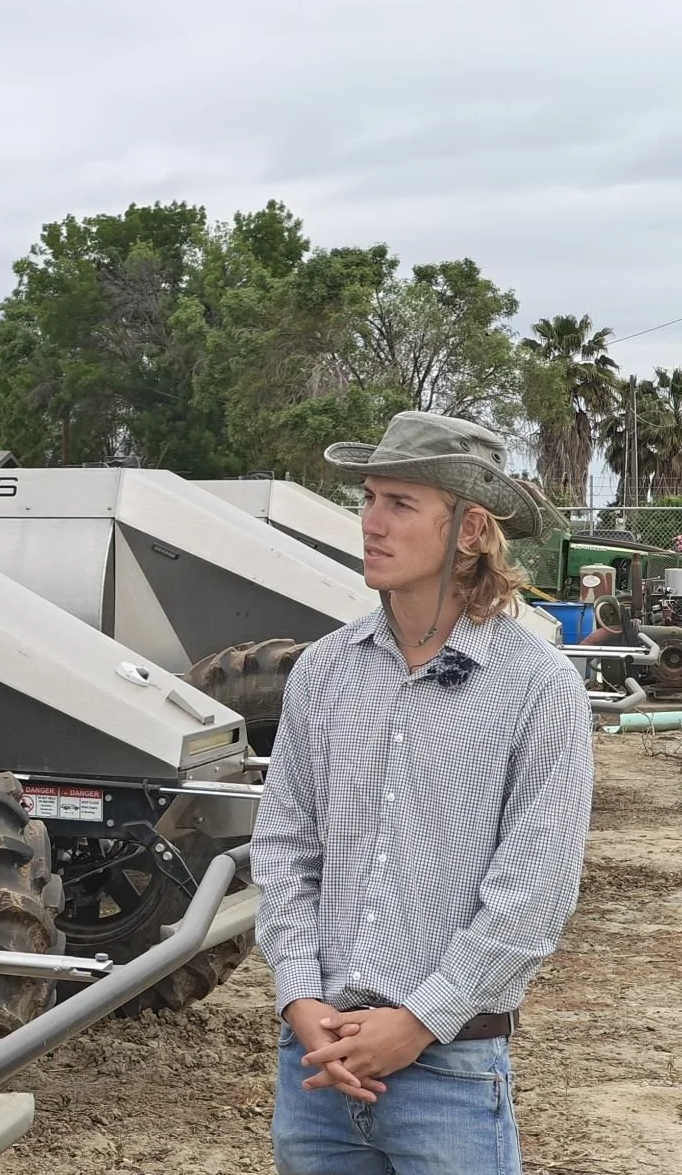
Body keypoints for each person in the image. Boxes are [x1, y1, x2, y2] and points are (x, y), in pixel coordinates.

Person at [251, 411, 594, 1174]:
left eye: (399, 504)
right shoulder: (325, 671)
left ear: (471, 530)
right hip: (315, 1066)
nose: (369, 523)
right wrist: (301, 1000)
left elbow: (534, 892)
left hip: (449, 1072)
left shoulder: (538, 688)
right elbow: (282, 847)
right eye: (368, 499)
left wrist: (417, 1023)